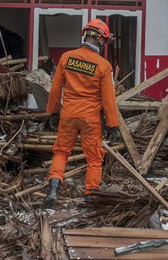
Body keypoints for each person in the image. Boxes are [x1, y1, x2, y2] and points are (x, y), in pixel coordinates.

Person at [42, 19, 121, 208]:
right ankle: (91, 196)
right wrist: (113, 125)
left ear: (85, 36)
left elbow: (55, 89)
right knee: (94, 158)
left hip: (68, 116)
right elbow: (108, 99)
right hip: (90, 119)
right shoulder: (103, 65)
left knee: (61, 152)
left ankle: (52, 192)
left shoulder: (66, 58)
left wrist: (52, 112)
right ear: (102, 41)